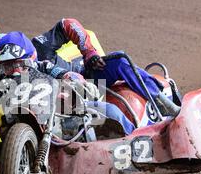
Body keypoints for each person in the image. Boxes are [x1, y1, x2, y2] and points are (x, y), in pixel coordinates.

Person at [0, 32, 135, 135]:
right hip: (20, 130)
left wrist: (78, 82)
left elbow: (66, 74)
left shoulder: (43, 67)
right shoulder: (2, 84)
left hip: (61, 120)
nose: (14, 70)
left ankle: (136, 139)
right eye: (7, 66)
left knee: (108, 110)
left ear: (31, 60)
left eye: (18, 64)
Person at [31, 18, 181, 117]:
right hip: (58, 104)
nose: (14, 67)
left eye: (15, 62)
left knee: (119, 59)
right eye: (8, 66)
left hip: (82, 81)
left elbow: (68, 24)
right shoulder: (13, 80)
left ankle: (161, 102)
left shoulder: (37, 47)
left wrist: (89, 53)